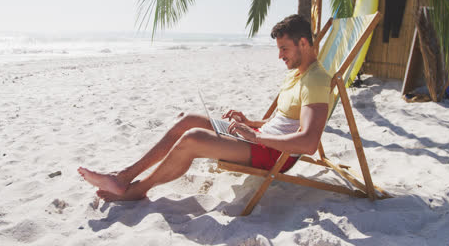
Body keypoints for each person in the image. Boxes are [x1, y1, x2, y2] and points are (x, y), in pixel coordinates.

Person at [78, 14, 332, 202]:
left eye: (284, 49)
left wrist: (256, 136)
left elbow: (308, 142)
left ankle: (136, 190)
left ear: (303, 43)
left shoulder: (316, 81)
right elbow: (286, 120)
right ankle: (122, 177)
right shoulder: (297, 73)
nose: (280, 56)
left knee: (192, 139)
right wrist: (251, 123)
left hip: (274, 154)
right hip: (263, 139)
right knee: (188, 120)